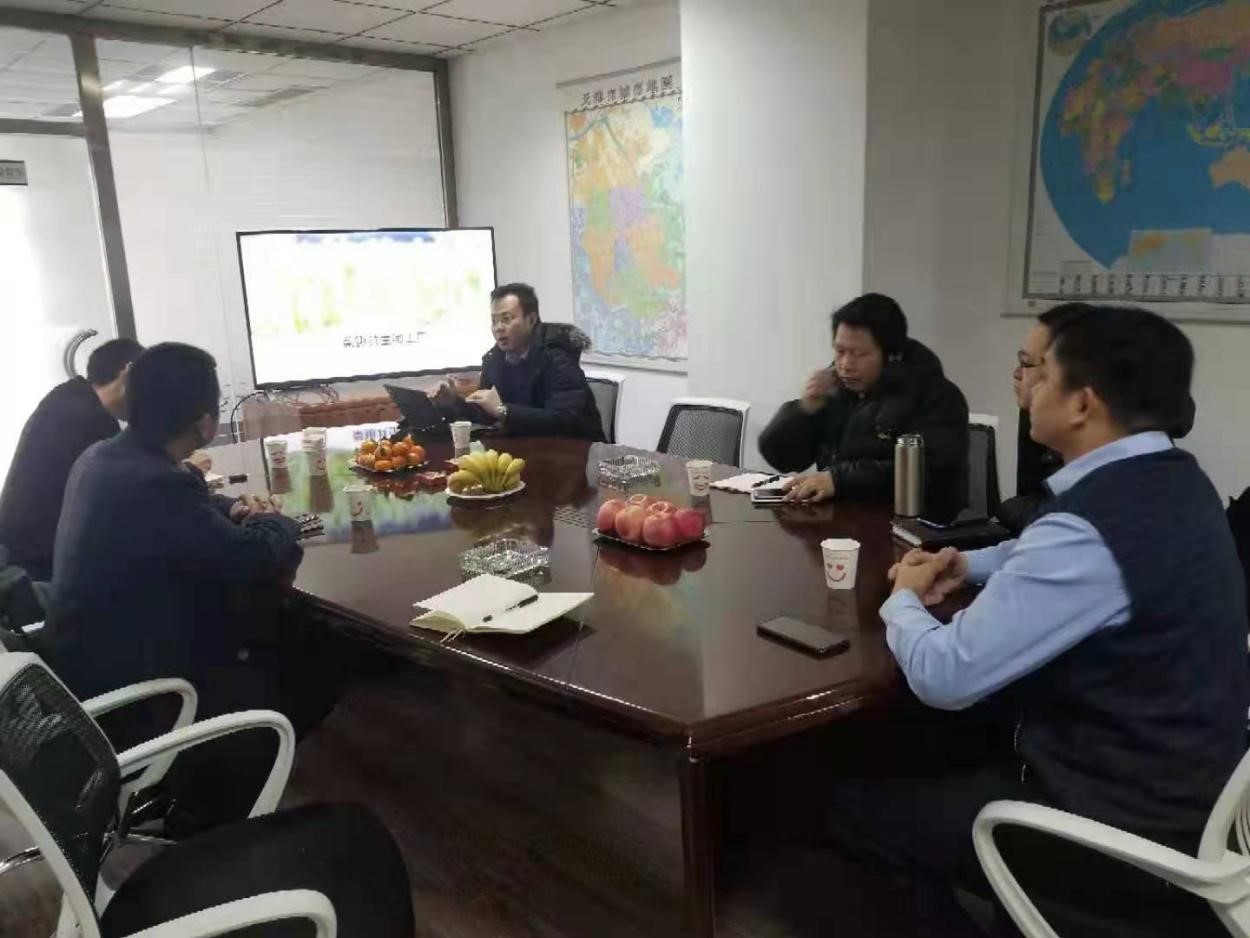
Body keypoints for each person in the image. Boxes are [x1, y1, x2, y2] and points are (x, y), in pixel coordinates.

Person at [833, 304, 1244, 936]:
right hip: (1187, 793)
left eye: (1042, 372)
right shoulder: (1176, 479)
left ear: (1082, 403)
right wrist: (966, 565)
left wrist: (903, 600)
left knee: (857, 811)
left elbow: (945, 674)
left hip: (1112, 829)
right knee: (929, 748)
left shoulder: (1092, 523)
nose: (1027, 386)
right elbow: (1067, 556)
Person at [45, 343, 326, 826]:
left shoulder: (106, 456)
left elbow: (188, 506)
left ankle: (201, 781)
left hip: (84, 673)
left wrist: (236, 509)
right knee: (316, 650)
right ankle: (211, 807)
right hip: (143, 693)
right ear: (204, 423)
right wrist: (279, 523)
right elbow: (251, 560)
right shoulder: (154, 482)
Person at [758, 294, 969, 506]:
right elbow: (782, 459)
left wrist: (839, 480)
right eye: (840, 351)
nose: (845, 364)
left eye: (858, 353)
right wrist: (804, 411)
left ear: (891, 356)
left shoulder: (937, 396)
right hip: (838, 517)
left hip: (906, 520)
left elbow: (932, 471)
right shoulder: (836, 390)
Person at [0, 338, 143, 580]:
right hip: (38, 565)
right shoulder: (91, 417)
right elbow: (125, 488)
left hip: (18, 550)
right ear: (128, 373)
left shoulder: (69, 396)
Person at [431, 282, 605, 441]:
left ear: (531, 320)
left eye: (506, 319)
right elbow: (486, 413)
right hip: (526, 449)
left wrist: (503, 411)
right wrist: (452, 402)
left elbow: (565, 419)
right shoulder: (494, 359)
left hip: (575, 452)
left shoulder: (557, 356)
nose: (499, 327)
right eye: (494, 321)